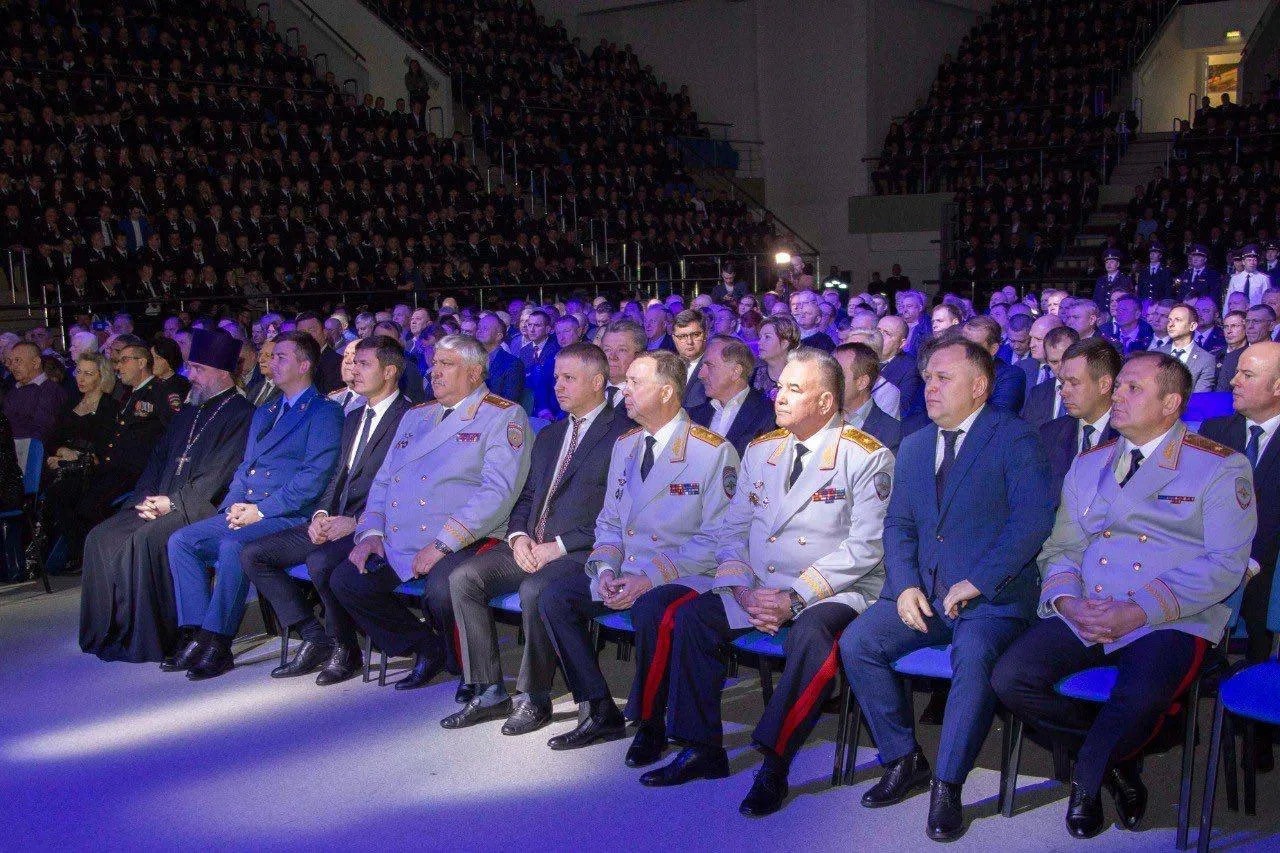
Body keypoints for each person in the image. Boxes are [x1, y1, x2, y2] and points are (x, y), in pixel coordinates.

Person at [993, 352, 1255, 839]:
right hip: (1089, 606)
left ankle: (1089, 777)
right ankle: (1116, 762)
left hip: (1169, 613)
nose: (1117, 395)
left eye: (1134, 389)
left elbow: (1226, 563)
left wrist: (1137, 611)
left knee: (1140, 696)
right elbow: (1062, 548)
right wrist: (1067, 602)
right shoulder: (1089, 464)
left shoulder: (1219, 467)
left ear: (1171, 403)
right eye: (1119, 387)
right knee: (1011, 678)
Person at [642, 348, 892, 813]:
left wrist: (795, 598)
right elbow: (734, 528)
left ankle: (775, 763)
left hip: (830, 588)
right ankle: (701, 748)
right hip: (758, 584)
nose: (778, 397)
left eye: (794, 390)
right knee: (695, 617)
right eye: (780, 386)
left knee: (812, 637)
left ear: (825, 403)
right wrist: (740, 586)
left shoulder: (866, 457)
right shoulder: (762, 449)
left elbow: (864, 548)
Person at [839, 336, 1055, 842]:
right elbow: (899, 527)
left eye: (943, 379)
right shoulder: (914, 445)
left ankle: (948, 784)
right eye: (928, 378)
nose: (930, 387)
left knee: (975, 656)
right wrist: (907, 585)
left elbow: (1030, 524)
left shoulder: (1015, 438)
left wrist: (978, 582)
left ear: (979, 387)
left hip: (992, 597)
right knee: (859, 642)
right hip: (927, 593)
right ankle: (902, 757)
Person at [539, 350, 738, 755]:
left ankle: (651, 720)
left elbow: (718, 539)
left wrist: (649, 577)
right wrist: (605, 568)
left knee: (652, 607)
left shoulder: (712, 451)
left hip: (682, 574)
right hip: (627, 570)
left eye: (633, 382)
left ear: (666, 392)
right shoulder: (626, 444)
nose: (623, 389)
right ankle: (597, 707)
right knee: (553, 597)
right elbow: (610, 521)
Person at [443, 342, 634, 733]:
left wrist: (558, 547)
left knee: (535, 590)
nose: (557, 386)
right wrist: (517, 537)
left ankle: (534, 697)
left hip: (583, 551)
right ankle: (489, 689)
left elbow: (620, 513)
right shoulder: (550, 434)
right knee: (464, 578)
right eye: (556, 377)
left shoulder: (623, 436)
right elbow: (527, 496)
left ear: (598, 382)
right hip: (531, 545)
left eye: (569, 378)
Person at [334, 334, 531, 696]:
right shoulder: (416, 416)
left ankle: (465, 666)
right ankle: (425, 646)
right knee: (348, 580)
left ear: (474, 373)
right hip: (400, 535)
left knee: (443, 590)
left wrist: (442, 545)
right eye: (434, 363)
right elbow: (383, 481)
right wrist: (371, 534)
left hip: (465, 536)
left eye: (446, 364)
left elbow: (497, 494)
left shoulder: (502, 415)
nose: (434, 372)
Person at [165, 332, 343, 680]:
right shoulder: (266, 411)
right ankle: (195, 632)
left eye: (281, 357)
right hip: (249, 509)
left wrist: (259, 511)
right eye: (271, 356)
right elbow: (244, 469)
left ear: (304, 365)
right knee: (182, 541)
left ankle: (217, 642)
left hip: (289, 514)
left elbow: (314, 477)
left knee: (235, 545)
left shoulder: (323, 412)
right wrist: (232, 507)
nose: (271, 363)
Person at [240, 337, 413, 685]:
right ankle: (314, 635)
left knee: (320, 561)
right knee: (254, 554)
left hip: (375, 526)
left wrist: (356, 522)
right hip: (334, 520)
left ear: (390, 371)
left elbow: (406, 490)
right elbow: (335, 476)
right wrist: (320, 514)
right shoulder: (352, 417)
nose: (352, 368)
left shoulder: (410, 419)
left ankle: (344, 647)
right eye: (353, 362)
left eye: (364, 363)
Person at [79, 330, 254, 663]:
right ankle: (109, 631)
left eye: (198, 369)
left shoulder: (241, 414)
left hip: (200, 507)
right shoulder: (189, 412)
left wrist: (171, 503)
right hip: (161, 500)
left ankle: (161, 638)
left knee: (144, 540)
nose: (191, 376)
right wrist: (145, 498)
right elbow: (158, 458)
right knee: (100, 537)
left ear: (220, 372)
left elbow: (220, 474)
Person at [1199, 341, 1280, 771]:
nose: (1233, 379)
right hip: (1214, 554)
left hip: (1265, 564)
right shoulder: (1216, 429)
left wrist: (1247, 562)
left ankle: (1257, 726)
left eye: (1247, 374)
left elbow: (1274, 517)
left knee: (1264, 587)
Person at [47, 339, 181, 572]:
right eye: (117, 362)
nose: (118, 367)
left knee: (89, 505)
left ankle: (107, 557)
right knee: (68, 494)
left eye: (124, 361)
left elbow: (175, 431)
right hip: (113, 466)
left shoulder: (159, 392)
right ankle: (93, 556)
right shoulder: (130, 396)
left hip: (137, 470)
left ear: (141, 363)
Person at [1039, 338, 1122, 497]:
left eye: (1074, 383)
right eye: (1063, 382)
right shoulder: (1049, 434)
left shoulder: (1129, 436)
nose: (1063, 391)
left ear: (1104, 385)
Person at [689, 335, 776, 456]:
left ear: (736, 372)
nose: (701, 374)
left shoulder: (768, 415)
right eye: (702, 366)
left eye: (709, 366)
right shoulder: (694, 416)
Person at [835, 342, 903, 453]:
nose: (827, 380)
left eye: (838, 374)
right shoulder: (815, 416)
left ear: (862, 382)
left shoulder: (891, 434)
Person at [3, 341, 67, 444]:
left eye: (17, 360)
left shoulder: (51, 391)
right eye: (10, 361)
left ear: (36, 362)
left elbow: (43, 431)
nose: (12, 366)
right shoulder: (13, 391)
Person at [961, 317, 1026, 412]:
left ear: (993, 349)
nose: (966, 350)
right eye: (963, 343)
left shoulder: (1010, 376)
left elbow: (998, 417)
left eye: (974, 346)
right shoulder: (951, 369)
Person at [1022, 326, 1081, 429]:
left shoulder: (1091, 390)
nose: (1061, 368)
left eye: (1066, 359)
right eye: (1054, 362)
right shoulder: (1037, 393)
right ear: (1047, 361)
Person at [878, 315, 927, 434]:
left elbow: (902, 407)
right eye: (878, 331)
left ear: (902, 343)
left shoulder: (910, 367)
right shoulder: (863, 357)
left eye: (887, 333)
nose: (879, 336)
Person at [1154, 305, 1215, 392]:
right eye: (1169, 320)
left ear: (1192, 326)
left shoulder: (1206, 359)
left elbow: (1199, 397)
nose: (1170, 325)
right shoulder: (1156, 354)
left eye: (1178, 320)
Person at [519, 309, 561, 419]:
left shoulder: (557, 348)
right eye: (529, 325)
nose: (531, 329)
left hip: (552, 408)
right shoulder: (524, 351)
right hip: (529, 407)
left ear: (548, 329)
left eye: (537, 325)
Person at [476, 312, 524, 403]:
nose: (479, 331)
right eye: (479, 327)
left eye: (485, 328)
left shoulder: (513, 364)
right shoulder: (472, 359)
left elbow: (509, 401)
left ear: (498, 336)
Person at [751, 315, 801, 401]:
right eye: (760, 337)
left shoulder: (800, 377)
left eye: (767, 337)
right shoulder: (753, 374)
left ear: (785, 344)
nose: (759, 343)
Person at [600, 319, 645, 409]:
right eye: (607, 350)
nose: (612, 357)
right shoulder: (587, 389)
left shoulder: (646, 397)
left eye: (622, 350)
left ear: (639, 356)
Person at [673, 308, 709, 408]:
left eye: (695, 335)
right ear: (674, 339)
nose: (689, 342)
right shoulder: (667, 366)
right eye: (683, 336)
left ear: (706, 334)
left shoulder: (713, 368)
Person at [151, 337, 191, 410]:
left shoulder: (180, 385)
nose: (153, 362)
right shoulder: (151, 382)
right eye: (152, 357)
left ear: (170, 360)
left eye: (158, 358)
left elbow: (172, 415)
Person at [1223, 244, 1266, 312]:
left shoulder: (1264, 279)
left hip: (1256, 314)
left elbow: (1266, 300)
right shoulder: (1235, 279)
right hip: (1237, 314)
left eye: (1254, 260)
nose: (1252, 263)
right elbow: (1229, 299)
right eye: (1249, 260)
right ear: (1243, 262)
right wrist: (1225, 315)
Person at [1215, 311, 1250, 391]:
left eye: (1234, 326)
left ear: (1245, 328)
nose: (1229, 331)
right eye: (1226, 327)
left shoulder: (1249, 356)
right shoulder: (1215, 355)